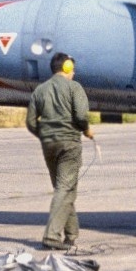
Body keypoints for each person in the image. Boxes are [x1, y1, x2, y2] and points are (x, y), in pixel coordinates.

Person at [26, 52, 93, 251]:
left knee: (63, 189)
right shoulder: (75, 87)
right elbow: (81, 115)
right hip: (69, 144)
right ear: (67, 68)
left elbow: (30, 122)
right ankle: (51, 236)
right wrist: (86, 129)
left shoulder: (39, 90)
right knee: (65, 189)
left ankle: (71, 235)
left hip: (49, 146)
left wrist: (45, 135)